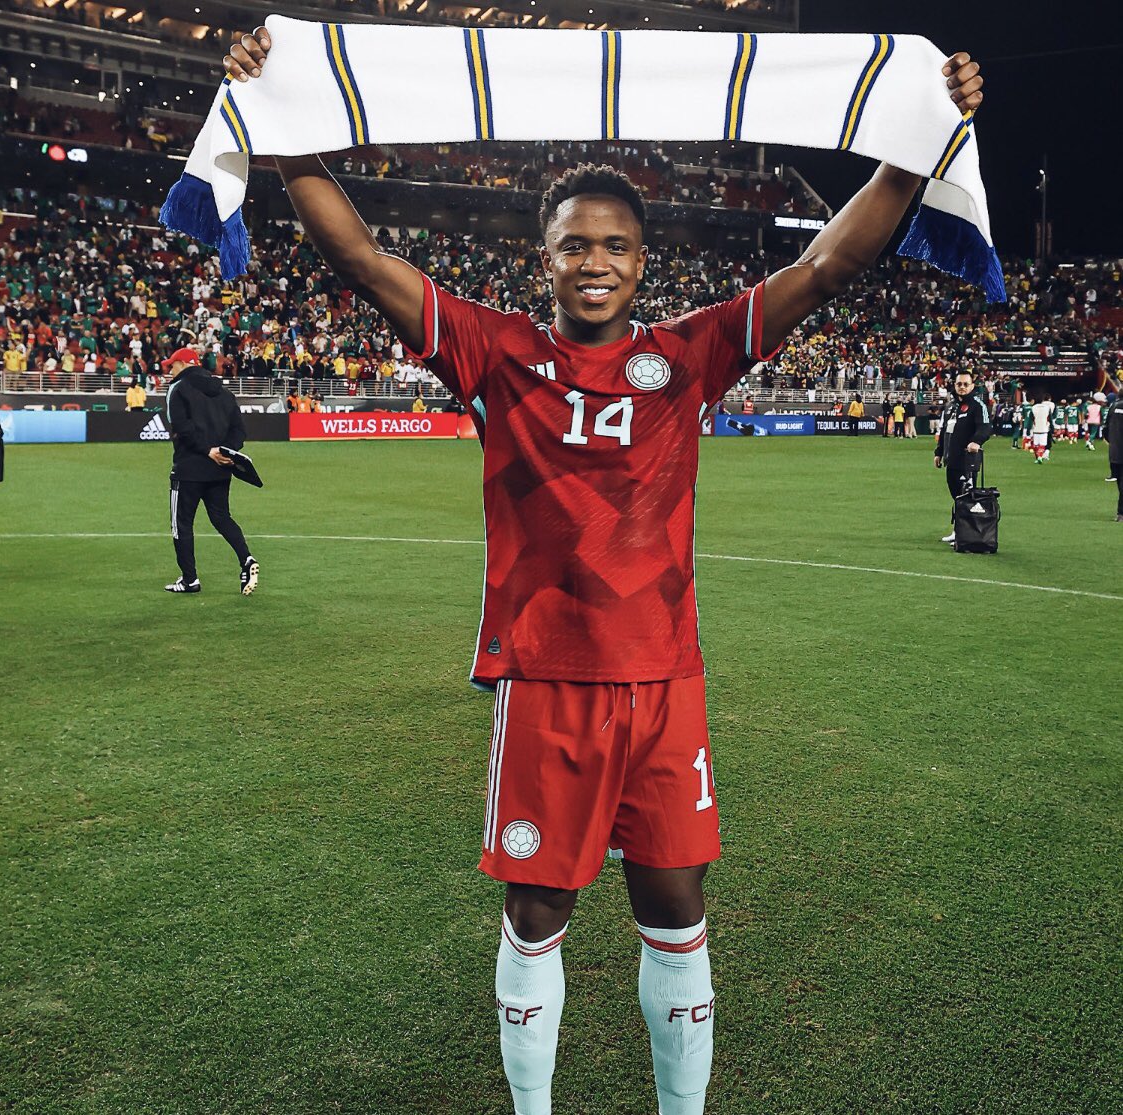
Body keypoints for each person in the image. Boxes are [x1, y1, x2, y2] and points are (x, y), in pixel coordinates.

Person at [226, 28, 985, 1115]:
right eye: (575, 244)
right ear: (544, 259)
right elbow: (360, 259)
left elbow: (827, 265)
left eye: (616, 246)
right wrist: (286, 127)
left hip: (666, 683)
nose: (595, 261)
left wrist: (914, 144)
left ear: (642, 263)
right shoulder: (493, 352)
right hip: (547, 682)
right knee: (537, 914)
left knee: (677, 913)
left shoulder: (688, 355)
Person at [163, 347, 260, 595]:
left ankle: (190, 580)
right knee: (221, 517)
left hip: (188, 469)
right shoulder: (225, 393)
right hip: (220, 469)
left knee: (182, 524)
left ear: (184, 364)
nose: (169, 370)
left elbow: (182, 428)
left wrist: (207, 450)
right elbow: (239, 431)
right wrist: (225, 451)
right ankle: (246, 558)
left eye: (172, 365)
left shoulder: (178, 389)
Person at [934, 369, 991, 544]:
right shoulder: (950, 406)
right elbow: (945, 431)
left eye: (966, 384)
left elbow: (985, 427)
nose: (962, 387)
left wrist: (976, 441)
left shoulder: (977, 405)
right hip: (951, 460)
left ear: (972, 386)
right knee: (957, 497)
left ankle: (966, 534)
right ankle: (958, 530)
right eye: (959, 384)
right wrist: (938, 452)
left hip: (968, 462)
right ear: (954, 385)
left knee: (967, 497)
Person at [1105, 393, 1123, 521]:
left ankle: (1121, 513)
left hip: (1115, 452)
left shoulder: (1113, 406)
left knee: (1120, 481)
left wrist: (1113, 442)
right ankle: (1121, 512)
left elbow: (1105, 429)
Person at [1030, 394, 1055, 463]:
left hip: (1036, 428)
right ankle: (1040, 457)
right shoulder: (1047, 407)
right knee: (1042, 444)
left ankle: (1037, 458)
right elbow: (1050, 418)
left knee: (1036, 445)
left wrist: (1029, 428)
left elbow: (1031, 418)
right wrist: (1052, 427)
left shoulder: (1033, 407)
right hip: (1044, 428)